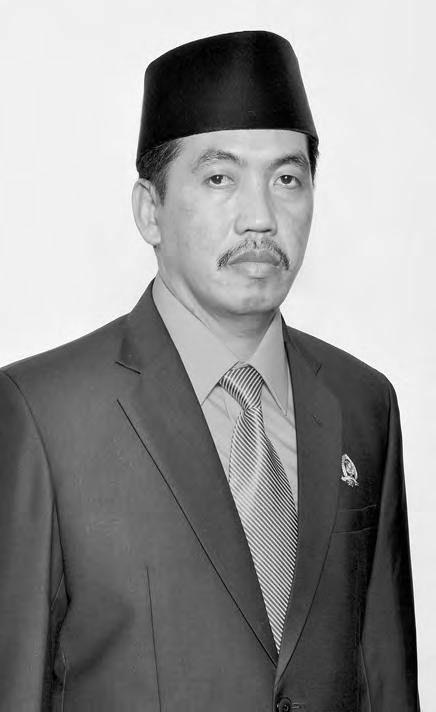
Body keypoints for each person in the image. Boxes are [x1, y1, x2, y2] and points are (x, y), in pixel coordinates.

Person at [0, 31, 420, 711]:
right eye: (220, 178)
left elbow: (386, 679)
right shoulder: (45, 415)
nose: (260, 218)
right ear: (150, 210)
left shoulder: (363, 403)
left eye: (287, 179)